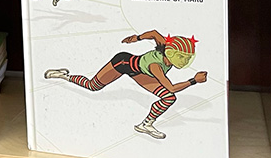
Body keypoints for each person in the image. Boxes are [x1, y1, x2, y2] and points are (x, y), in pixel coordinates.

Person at [44, 31, 206, 139]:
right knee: (93, 86)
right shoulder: (156, 66)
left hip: (140, 72)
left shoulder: (165, 44)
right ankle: (64, 75)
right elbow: (171, 87)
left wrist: (137, 38)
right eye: (182, 57)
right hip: (122, 63)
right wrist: (193, 81)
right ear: (170, 53)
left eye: (187, 58)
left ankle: (145, 124)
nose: (185, 62)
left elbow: (154, 33)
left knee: (168, 98)